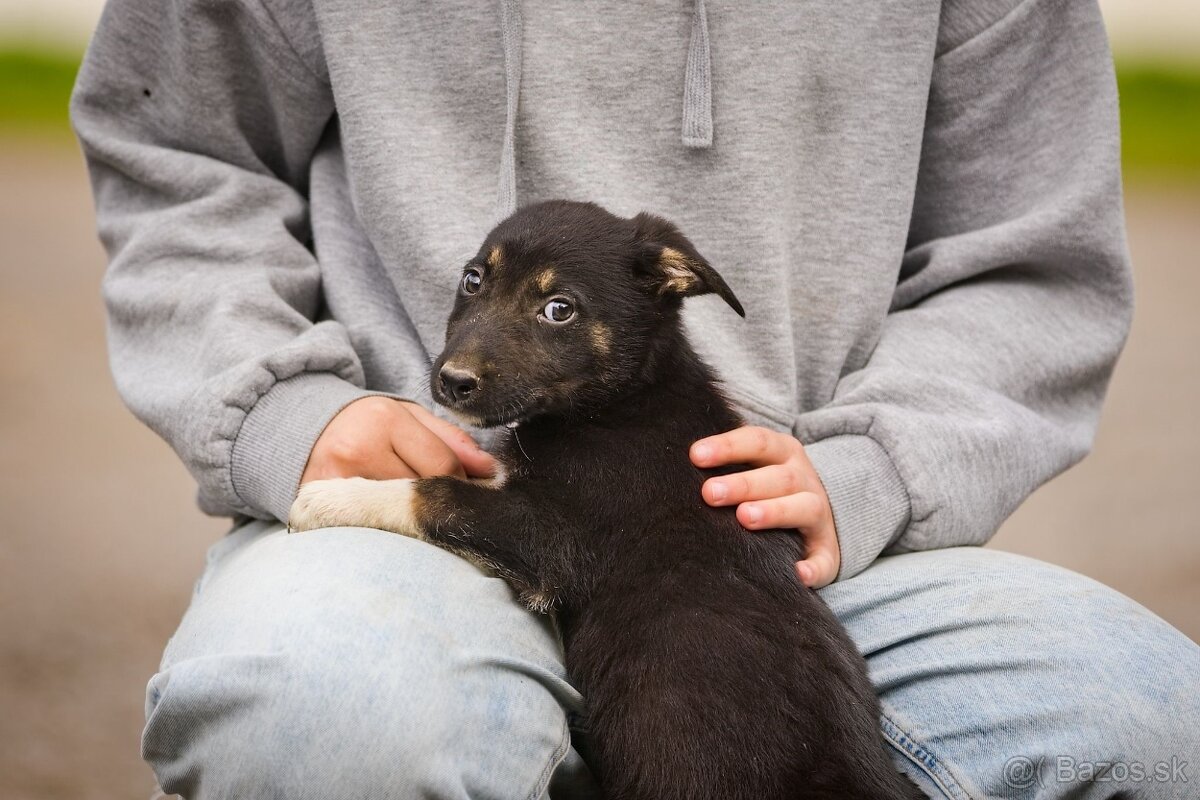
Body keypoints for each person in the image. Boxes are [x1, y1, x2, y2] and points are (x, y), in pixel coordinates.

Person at [72, 0, 1198, 797]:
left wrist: (881, 466)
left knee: (1154, 718)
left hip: (797, 572)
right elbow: (174, 148)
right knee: (335, 719)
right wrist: (289, 410)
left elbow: (1026, 262)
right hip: (416, 534)